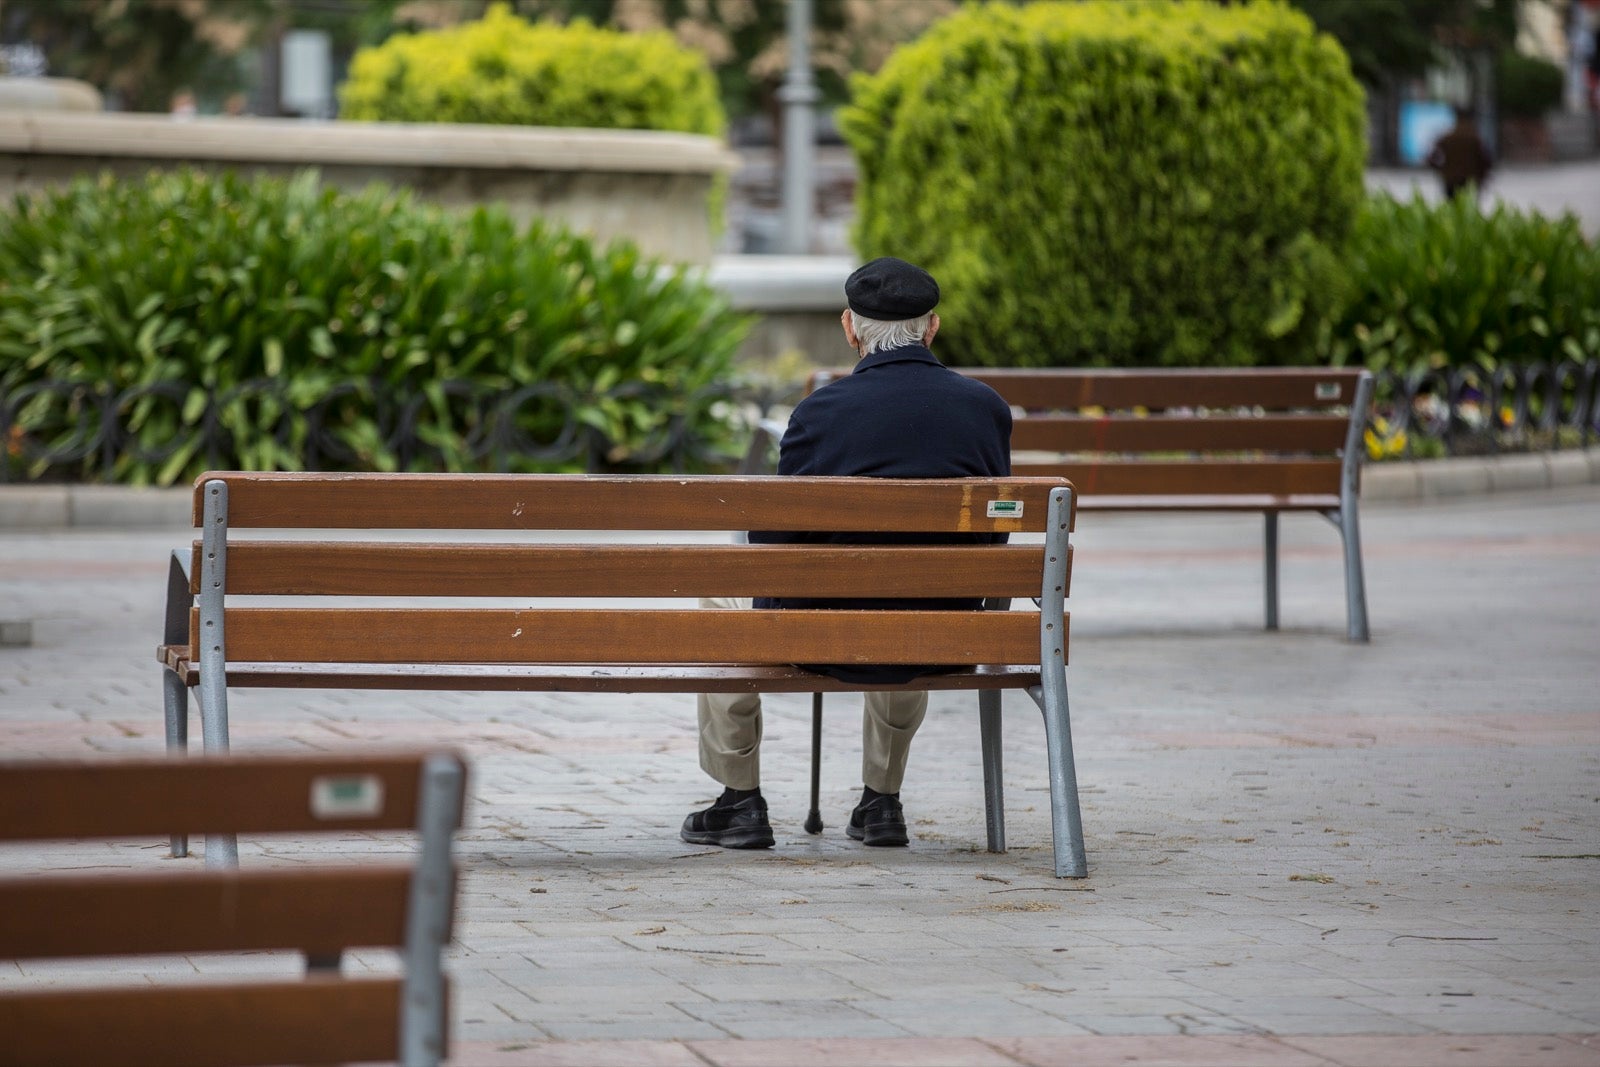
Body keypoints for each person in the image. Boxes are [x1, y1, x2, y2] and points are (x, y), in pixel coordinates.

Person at [681, 257, 1013, 851]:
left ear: (849, 328)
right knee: (911, 596)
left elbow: (774, 549)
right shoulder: (984, 409)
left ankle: (740, 801)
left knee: (721, 598)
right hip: (946, 627)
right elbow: (990, 535)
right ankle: (881, 802)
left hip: (827, 632)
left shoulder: (819, 414)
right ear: (931, 328)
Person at [1426, 107, 1493, 201]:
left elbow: (1431, 157)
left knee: (1451, 208)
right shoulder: (1475, 139)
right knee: (1467, 208)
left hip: (1450, 179)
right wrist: (1482, 176)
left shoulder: (1447, 137)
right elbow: (1485, 160)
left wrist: (1441, 170)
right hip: (1470, 180)